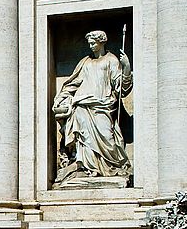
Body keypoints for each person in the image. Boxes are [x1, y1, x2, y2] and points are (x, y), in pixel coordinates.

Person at [53, 30, 132, 184]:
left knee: (107, 137)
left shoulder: (112, 60)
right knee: (84, 139)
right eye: (89, 43)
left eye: (93, 43)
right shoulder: (85, 62)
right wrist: (62, 97)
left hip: (103, 105)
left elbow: (121, 87)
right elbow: (73, 83)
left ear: (101, 42)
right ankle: (88, 169)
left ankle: (110, 167)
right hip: (82, 105)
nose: (90, 46)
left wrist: (126, 67)